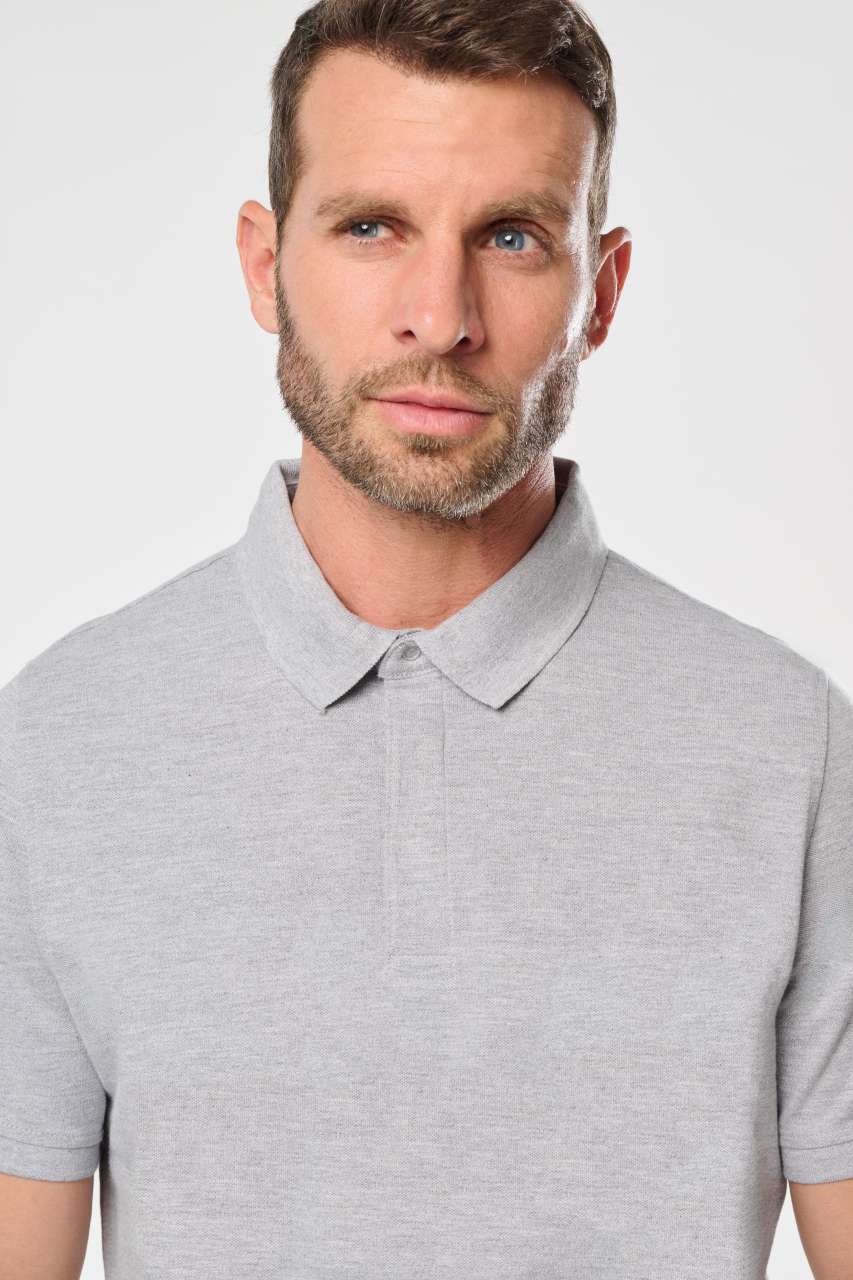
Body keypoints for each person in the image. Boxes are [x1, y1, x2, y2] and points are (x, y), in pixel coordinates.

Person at [1, 1, 851, 1277]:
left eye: (511, 237)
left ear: (602, 290)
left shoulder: (788, 748)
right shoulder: (64, 740)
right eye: (370, 227)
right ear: (263, 265)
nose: (440, 317)